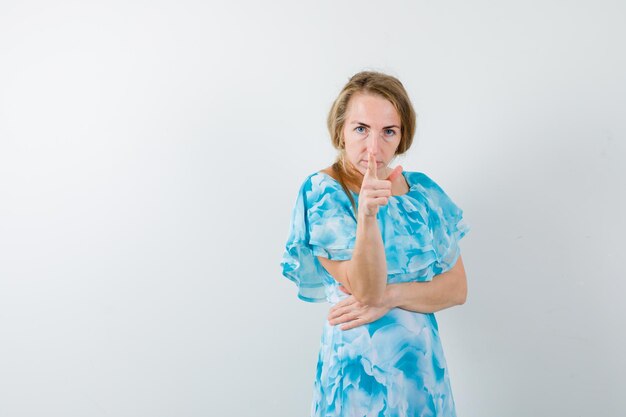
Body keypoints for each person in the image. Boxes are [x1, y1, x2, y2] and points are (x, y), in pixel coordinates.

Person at [280, 70, 471, 417]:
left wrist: (393, 296)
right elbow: (365, 291)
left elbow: (457, 288)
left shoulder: (423, 191)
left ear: (402, 136)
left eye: (388, 132)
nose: (374, 147)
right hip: (359, 383)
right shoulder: (324, 192)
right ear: (340, 131)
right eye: (360, 129)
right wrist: (367, 215)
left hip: (423, 379)